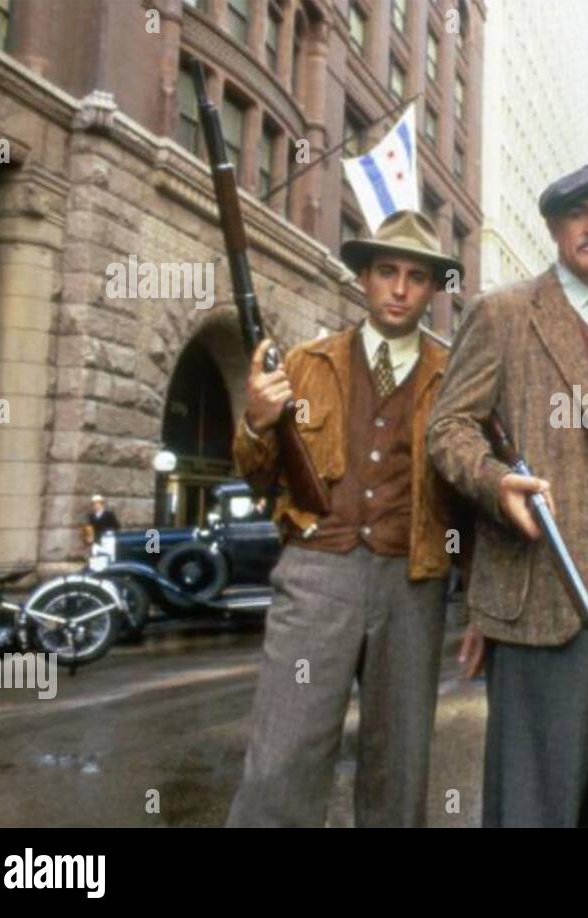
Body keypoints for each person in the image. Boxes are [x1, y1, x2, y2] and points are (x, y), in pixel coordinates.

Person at [427, 165, 588, 827]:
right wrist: (493, 481)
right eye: (579, 213)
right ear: (554, 226)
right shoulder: (505, 312)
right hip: (547, 560)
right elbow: (449, 426)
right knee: (539, 777)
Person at [227, 210, 464, 827]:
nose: (400, 288)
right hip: (315, 574)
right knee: (281, 762)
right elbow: (257, 474)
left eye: (417, 275)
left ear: (433, 289)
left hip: (414, 581)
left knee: (398, 771)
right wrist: (255, 418)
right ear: (364, 278)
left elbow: (472, 491)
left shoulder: (457, 374)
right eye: (387, 271)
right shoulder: (307, 363)